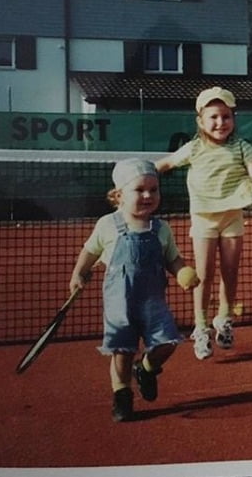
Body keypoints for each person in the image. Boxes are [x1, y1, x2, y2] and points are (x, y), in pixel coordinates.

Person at [155, 86, 252, 360]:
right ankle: (200, 327)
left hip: (232, 217)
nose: (220, 122)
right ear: (200, 120)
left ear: (233, 119)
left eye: (226, 116)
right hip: (203, 219)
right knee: (203, 275)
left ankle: (223, 319)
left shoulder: (241, 147)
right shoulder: (194, 148)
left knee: (230, 271)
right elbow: (163, 165)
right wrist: (137, 178)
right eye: (213, 117)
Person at [69, 158, 199, 422]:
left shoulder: (162, 229)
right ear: (119, 195)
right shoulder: (107, 225)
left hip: (153, 303)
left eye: (154, 189)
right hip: (120, 304)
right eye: (139, 190)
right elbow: (90, 251)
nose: (148, 195)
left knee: (167, 344)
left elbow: (172, 257)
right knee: (122, 352)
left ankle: (148, 368)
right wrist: (79, 273)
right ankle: (122, 395)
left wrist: (182, 271)